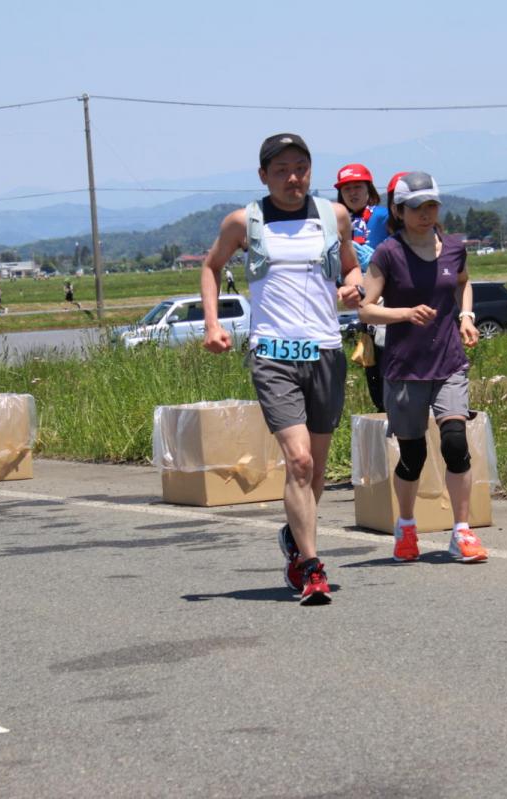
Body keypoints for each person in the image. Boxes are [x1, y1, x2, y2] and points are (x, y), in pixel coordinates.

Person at [200, 133, 362, 605]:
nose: (293, 178)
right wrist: (213, 325)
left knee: (316, 471)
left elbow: (351, 269)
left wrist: (355, 290)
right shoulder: (244, 222)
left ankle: (295, 539)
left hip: (326, 352)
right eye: (281, 170)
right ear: (263, 176)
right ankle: (312, 568)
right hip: (273, 354)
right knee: (299, 460)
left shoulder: (333, 217)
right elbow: (211, 268)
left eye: (301, 168)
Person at [358, 171, 489, 565]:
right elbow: (365, 307)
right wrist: (403, 313)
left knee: (455, 443)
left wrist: (466, 316)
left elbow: (463, 283)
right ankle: (407, 527)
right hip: (403, 367)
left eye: (432, 205)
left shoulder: (453, 248)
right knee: (412, 456)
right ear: (398, 210)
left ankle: (462, 532)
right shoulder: (388, 253)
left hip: (448, 361)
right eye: (417, 207)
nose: (426, 214)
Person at [335, 163, 388, 411]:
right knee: (373, 366)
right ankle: (382, 410)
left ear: (368, 188)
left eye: (357, 187)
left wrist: (377, 257)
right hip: (361, 305)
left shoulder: (382, 215)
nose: (353, 193)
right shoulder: (337, 221)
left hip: (387, 299)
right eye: (347, 190)